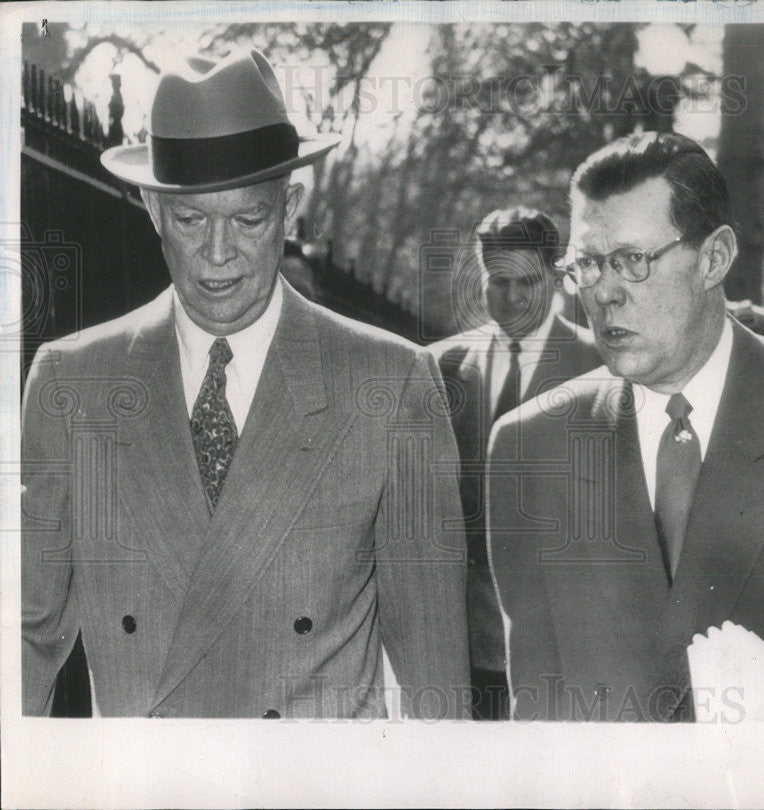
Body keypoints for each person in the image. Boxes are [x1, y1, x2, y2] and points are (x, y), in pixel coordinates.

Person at [21, 50, 469, 719]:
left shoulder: (392, 385)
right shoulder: (71, 386)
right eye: (191, 220)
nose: (219, 252)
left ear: (290, 206)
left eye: (248, 219)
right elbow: (25, 643)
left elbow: (437, 689)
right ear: (150, 207)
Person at [487, 132, 764, 721]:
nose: (602, 293)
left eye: (631, 261)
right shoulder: (532, 446)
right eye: (588, 265)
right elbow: (541, 715)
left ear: (714, 258)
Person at [431, 207, 602, 719]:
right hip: (461, 643)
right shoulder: (440, 365)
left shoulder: (603, 368)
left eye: (527, 282)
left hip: (566, 641)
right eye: (496, 282)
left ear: (556, 277)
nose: (511, 299)